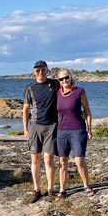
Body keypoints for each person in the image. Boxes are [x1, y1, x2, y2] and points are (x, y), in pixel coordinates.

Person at [22, 60, 60, 203]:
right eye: (37, 70)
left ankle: (51, 190)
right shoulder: (30, 88)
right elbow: (25, 111)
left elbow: (69, 93)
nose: (40, 73)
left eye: (43, 70)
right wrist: (25, 129)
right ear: (34, 72)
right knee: (35, 159)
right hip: (34, 126)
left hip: (51, 126)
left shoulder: (55, 84)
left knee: (49, 159)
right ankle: (36, 190)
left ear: (47, 70)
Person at [55, 69, 94, 201]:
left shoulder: (79, 91)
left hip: (78, 130)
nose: (64, 80)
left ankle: (86, 186)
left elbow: (87, 111)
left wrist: (89, 129)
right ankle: (62, 189)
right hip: (61, 131)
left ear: (71, 78)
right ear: (58, 81)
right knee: (62, 161)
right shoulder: (57, 94)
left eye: (66, 78)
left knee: (79, 160)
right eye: (61, 79)